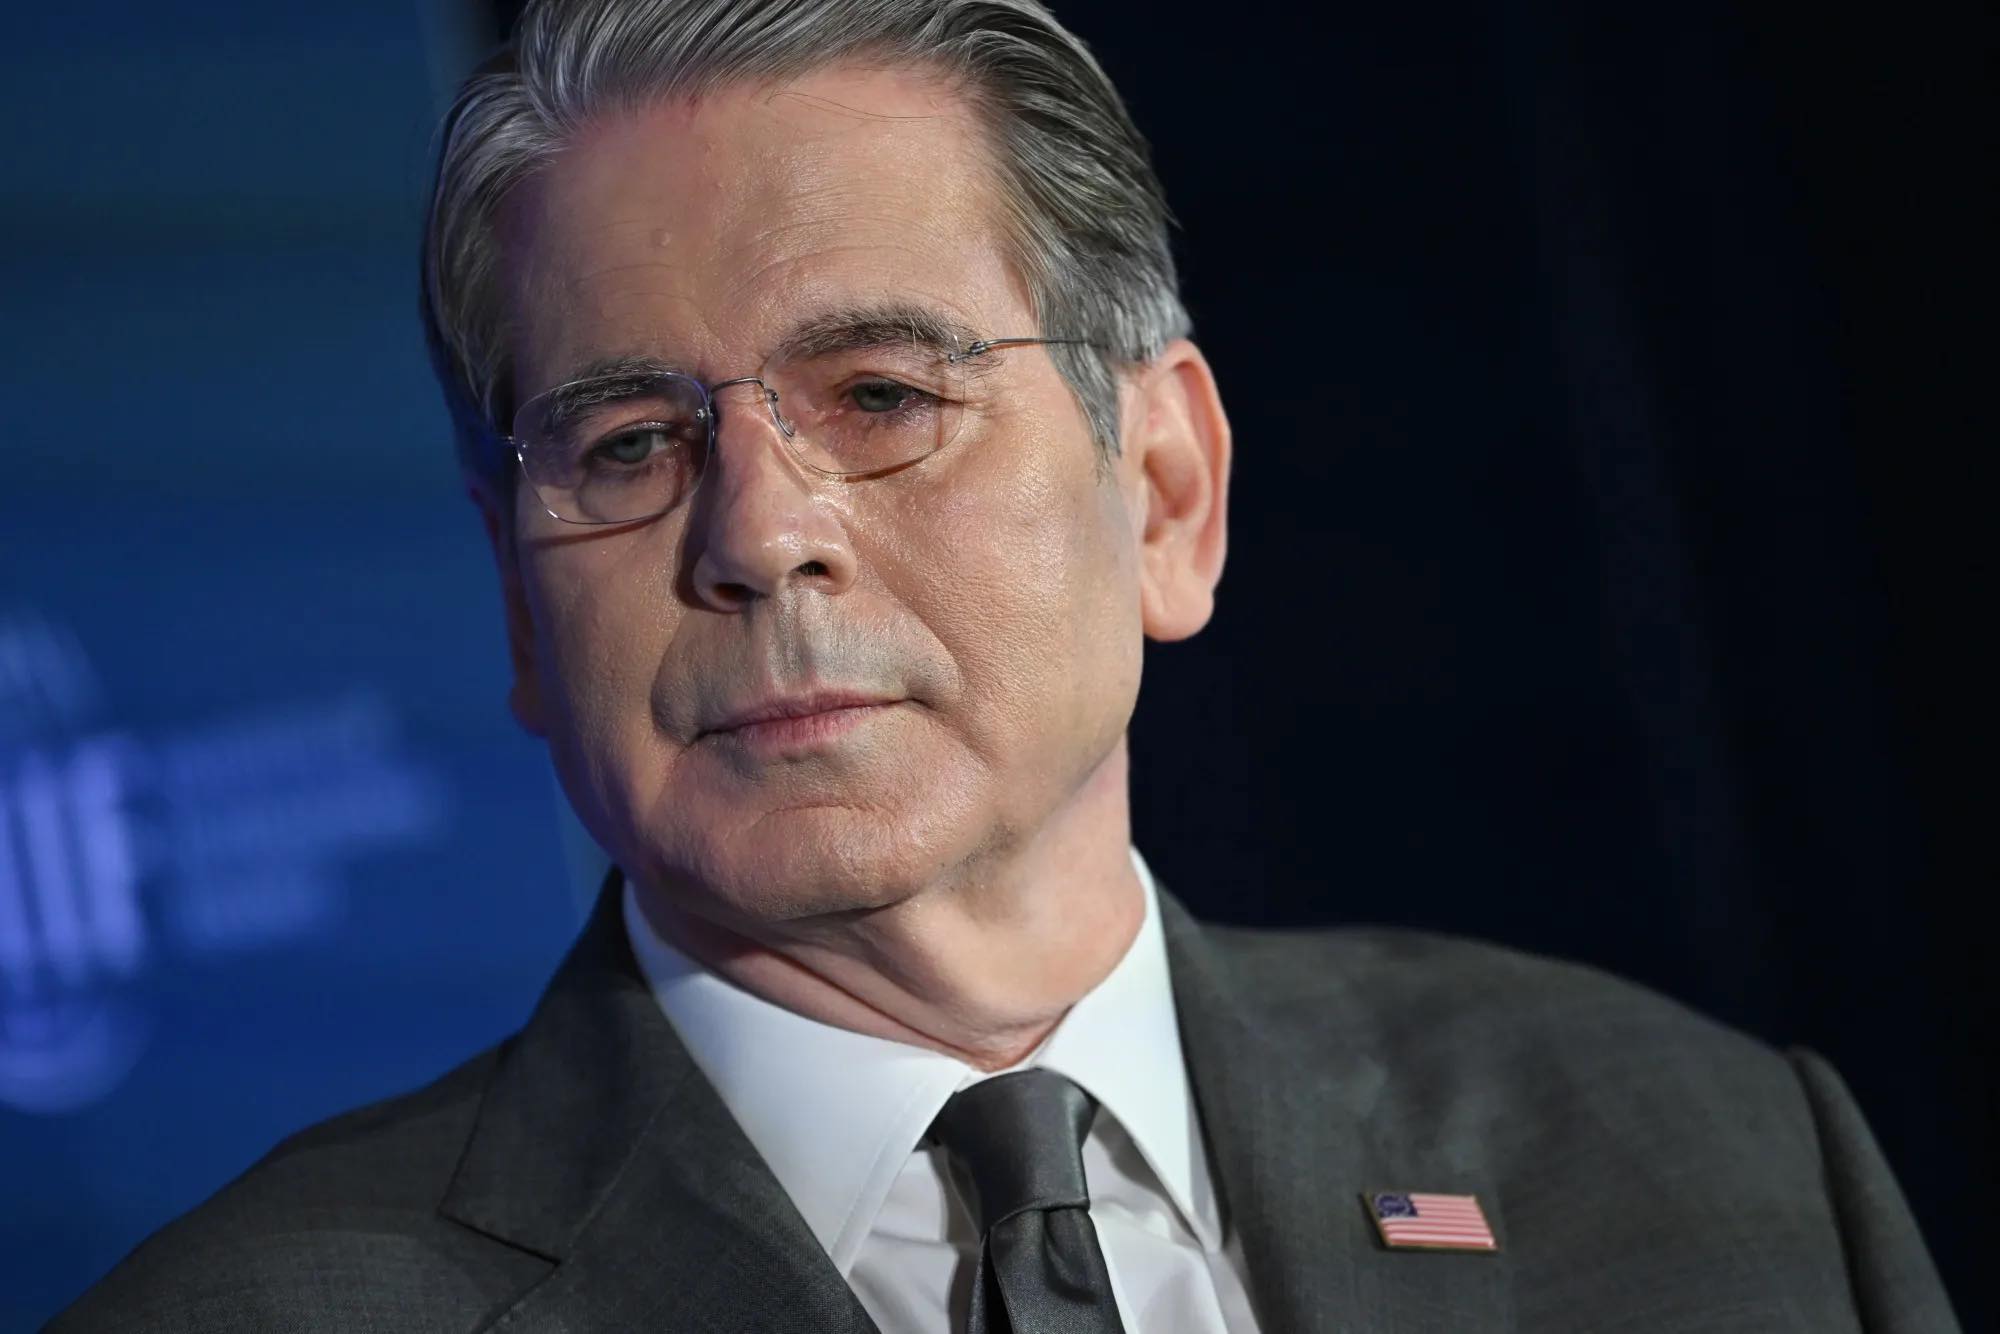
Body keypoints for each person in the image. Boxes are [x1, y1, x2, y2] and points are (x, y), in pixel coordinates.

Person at [54, 1, 1958, 1330]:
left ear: (1167, 489)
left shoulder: (1721, 1162)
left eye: (883, 395)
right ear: (514, 607)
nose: (757, 533)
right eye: (629, 444)